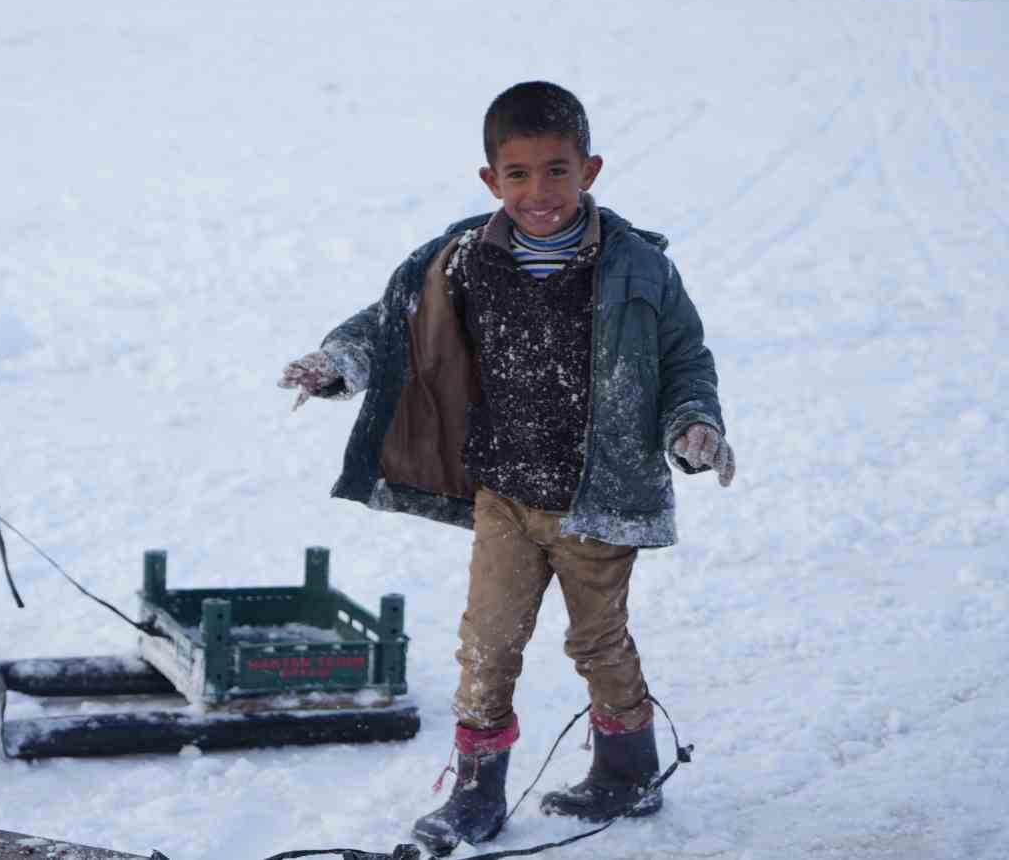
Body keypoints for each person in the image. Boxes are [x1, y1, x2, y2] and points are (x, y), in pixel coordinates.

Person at [279, 81, 733, 854]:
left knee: (598, 644)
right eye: (518, 174)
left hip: (599, 497)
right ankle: (475, 794)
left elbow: (684, 357)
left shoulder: (638, 267)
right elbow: (392, 322)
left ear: (589, 170)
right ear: (491, 180)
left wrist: (694, 424)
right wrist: (340, 360)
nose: (539, 191)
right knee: (486, 643)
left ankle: (627, 768)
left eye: (556, 171)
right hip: (504, 493)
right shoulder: (462, 258)